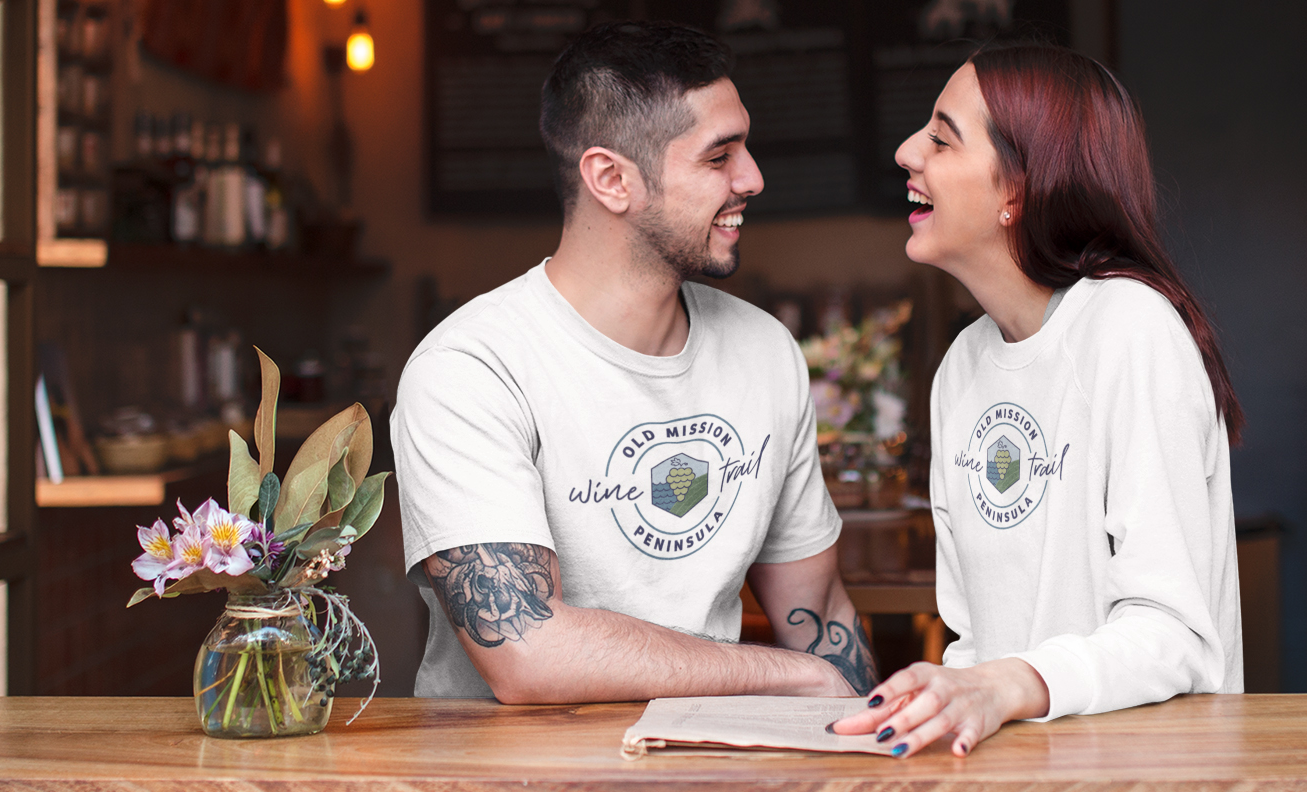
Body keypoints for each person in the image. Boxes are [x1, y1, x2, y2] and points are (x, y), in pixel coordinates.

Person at [392, 21, 875, 703]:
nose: (754, 178)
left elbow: (820, 616)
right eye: (719, 157)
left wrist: (875, 744)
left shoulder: (765, 352)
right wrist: (791, 675)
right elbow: (526, 651)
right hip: (510, 775)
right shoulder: (470, 369)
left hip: (707, 762)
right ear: (611, 179)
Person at [831, 44, 1245, 757]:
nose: (905, 152)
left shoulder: (1130, 328)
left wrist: (1001, 686)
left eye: (940, 137)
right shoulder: (962, 368)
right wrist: (941, 700)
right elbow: (976, 643)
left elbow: (1176, 633)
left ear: (1016, 191)